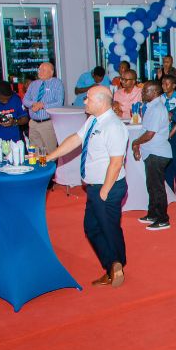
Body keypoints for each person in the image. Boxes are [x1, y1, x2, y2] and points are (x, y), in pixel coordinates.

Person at [44, 86, 129, 288]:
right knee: (92, 227)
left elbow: (116, 162)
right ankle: (113, 264)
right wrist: (49, 157)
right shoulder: (93, 120)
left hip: (107, 187)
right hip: (95, 187)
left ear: (100, 101)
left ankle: (115, 266)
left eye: (88, 98)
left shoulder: (114, 126)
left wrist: (104, 191)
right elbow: (75, 139)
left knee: (108, 228)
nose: (84, 101)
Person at [130, 81, 172, 230]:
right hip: (153, 152)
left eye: (145, 91)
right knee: (152, 186)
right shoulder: (152, 106)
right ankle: (153, 214)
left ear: (155, 92)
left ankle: (163, 219)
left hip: (157, 152)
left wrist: (135, 142)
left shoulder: (157, 108)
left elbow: (149, 134)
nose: (142, 93)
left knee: (157, 187)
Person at [22, 62, 64, 155]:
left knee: (50, 152)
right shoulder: (33, 84)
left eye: (44, 70)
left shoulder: (57, 83)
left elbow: (59, 103)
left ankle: (50, 165)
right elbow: (25, 100)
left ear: (51, 72)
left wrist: (43, 105)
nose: (40, 72)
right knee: (35, 152)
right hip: (33, 123)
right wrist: (33, 104)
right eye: (39, 70)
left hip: (47, 123)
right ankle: (39, 164)